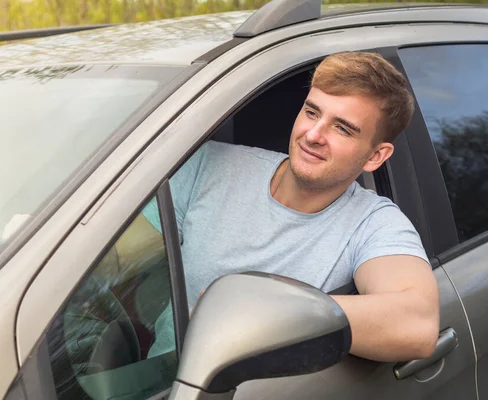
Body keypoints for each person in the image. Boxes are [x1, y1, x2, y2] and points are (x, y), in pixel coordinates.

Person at [142, 51, 439, 361]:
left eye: (342, 128)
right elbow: (118, 265)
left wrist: (267, 308)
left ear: (376, 156)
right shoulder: (209, 164)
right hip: (154, 382)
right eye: (312, 112)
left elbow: (416, 324)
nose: (313, 135)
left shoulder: (374, 223)